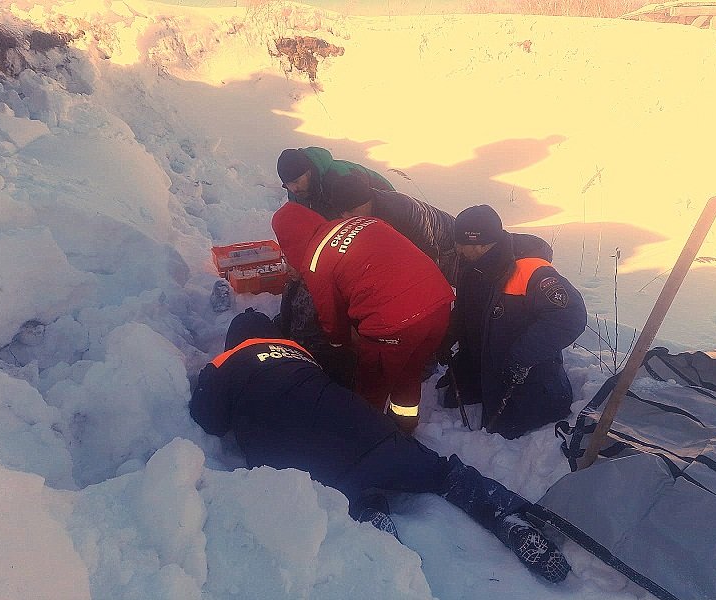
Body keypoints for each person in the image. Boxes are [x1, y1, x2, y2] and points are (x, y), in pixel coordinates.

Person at [189, 308, 571, 584]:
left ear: (234, 343)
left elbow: (207, 420)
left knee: (344, 497)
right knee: (445, 474)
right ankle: (507, 515)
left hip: (313, 472)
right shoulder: (300, 356)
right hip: (374, 435)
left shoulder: (226, 363)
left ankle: (374, 524)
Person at [271, 202, 454, 433]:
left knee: (370, 388)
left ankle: (367, 437)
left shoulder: (316, 262)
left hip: (394, 325)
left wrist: (341, 345)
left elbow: (332, 320)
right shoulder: (362, 222)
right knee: (409, 370)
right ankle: (405, 426)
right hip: (438, 304)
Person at [440, 205, 587, 440]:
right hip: (483, 362)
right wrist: (448, 335)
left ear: (481, 242)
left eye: (461, 242)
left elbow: (570, 316)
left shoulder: (531, 270)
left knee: (506, 429)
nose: (457, 248)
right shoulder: (473, 265)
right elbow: (467, 309)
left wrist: (521, 356)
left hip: (522, 372)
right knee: (450, 399)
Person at [325, 170, 459, 285]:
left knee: (464, 284)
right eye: (341, 212)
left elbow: (428, 254)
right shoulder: (364, 212)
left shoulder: (401, 211)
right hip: (430, 245)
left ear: (365, 202)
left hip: (451, 244)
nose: (346, 217)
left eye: (350, 210)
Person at [276, 147, 394, 220]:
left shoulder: (339, 177)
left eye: (296, 181)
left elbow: (355, 215)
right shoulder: (297, 190)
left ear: (308, 172)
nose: (293, 189)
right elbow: (301, 219)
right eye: (287, 184)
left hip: (383, 208)